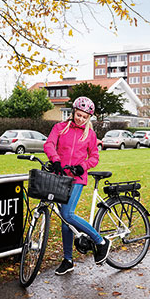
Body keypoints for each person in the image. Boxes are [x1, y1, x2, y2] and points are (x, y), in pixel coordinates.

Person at [44, 96, 111, 275]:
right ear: (74, 111)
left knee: (67, 213)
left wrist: (83, 166)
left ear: (89, 118)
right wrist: (55, 160)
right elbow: (49, 144)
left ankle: (101, 241)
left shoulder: (90, 134)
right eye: (78, 115)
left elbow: (94, 157)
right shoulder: (60, 128)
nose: (80, 119)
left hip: (77, 179)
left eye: (84, 117)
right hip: (59, 177)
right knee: (66, 221)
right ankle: (68, 260)